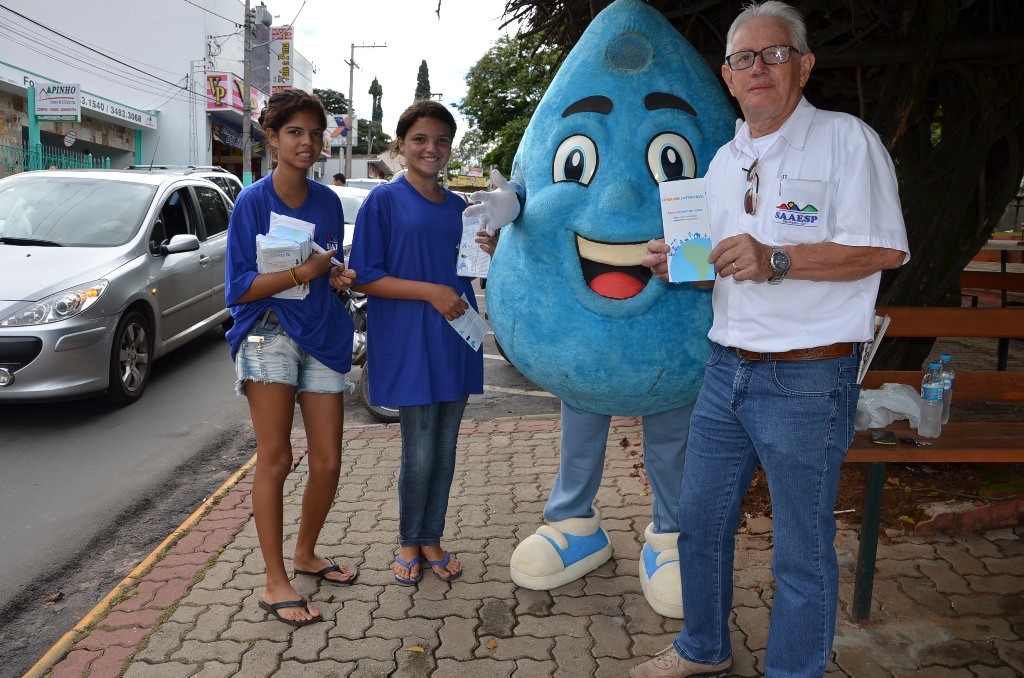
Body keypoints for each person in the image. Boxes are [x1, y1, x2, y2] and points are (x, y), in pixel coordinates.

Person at [631, 2, 910, 676]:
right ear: (728, 78)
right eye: (743, 59)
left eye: (774, 53)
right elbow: (727, 271)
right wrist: (685, 266)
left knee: (802, 551)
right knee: (698, 523)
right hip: (727, 371)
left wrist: (777, 257)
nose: (759, 68)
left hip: (809, 380)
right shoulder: (724, 162)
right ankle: (703, 649)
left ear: (804, 65)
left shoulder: (848, 140)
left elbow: (884, 249)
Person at [224, 88, 359, 628]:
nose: (307, 142)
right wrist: (304, 271)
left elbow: (330, 264)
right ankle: (274, 579)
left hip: (322, 332)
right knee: (276, 458)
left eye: (315, 132)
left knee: (328, 460)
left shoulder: (327, 201)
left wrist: (336, 273)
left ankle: (305, 553)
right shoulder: (252, 202)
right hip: (268, 334)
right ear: (273, 138)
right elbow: (240, 287)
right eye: (295, 132)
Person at [348, 100, 484, 586]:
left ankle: (432, 537)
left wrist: (490, 250)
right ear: (402, 145)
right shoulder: (382, 201)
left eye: (442, 140)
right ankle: (409, 539)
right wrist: (430, 291)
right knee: (419, 448)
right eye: (421, 139)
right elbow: (364, 277)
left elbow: (471, 271)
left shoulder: (462, 209)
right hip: (409, 338)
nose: (432, 148)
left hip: (455, 335)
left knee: (445, 448)